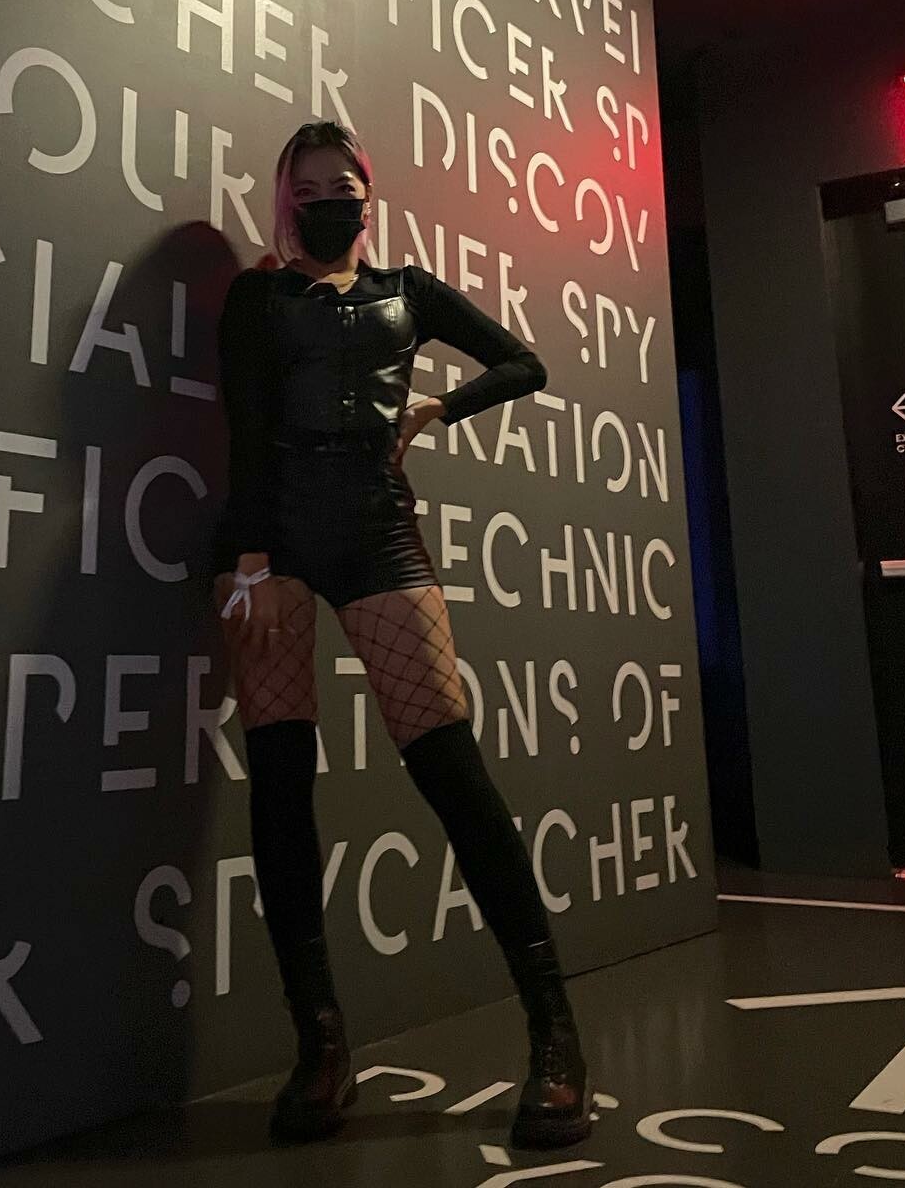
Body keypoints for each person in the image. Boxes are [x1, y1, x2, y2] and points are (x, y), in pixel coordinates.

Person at [212, 118, 591, 1147]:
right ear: (284, 198)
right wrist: (251, 561)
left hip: (378, 530)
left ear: (368, 195)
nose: (327, 200)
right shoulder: (257, 296)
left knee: (452, 770)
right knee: (280, 786)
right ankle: (322, 1049)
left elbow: (523, 363)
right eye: (307, 187)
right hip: (272, 543)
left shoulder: (408, 293)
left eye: (343, 184)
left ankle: (556, 1038)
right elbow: (245, 428)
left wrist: (436, 411)